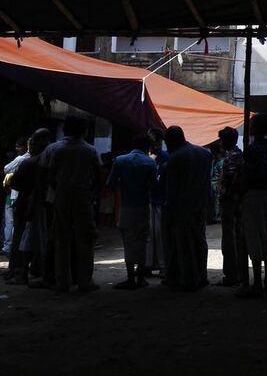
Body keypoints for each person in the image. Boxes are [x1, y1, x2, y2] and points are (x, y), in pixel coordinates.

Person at [48, 116, 102, 292]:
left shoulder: (56, 149)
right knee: (85, 239)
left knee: (61, 239)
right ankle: (84, 280)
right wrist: (92, 193)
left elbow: (50, 176)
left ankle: (62, 281)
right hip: (82, 196)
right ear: (84, 131)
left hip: (62, 195)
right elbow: (98, 175)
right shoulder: (90, 150)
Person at [163, 126, 212, 291]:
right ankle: (202, 275)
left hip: (182, 207)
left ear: (171, 141)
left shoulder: (175, 158)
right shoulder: (205, 153)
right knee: (200, 241)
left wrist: (169, 211)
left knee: (184, 244)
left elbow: (172, 189)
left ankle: (189, 278)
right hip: (201, 204)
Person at [237, 114, 267, 298]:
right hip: (265, 194)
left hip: (252, 195)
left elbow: (246, 176)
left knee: (252, 236)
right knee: (265, 235)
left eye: (252, 124)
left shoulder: (252, 149)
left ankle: (257, 283)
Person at [107, 135, 157, 290]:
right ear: (148, 147)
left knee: (128, 241)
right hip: (143, 206)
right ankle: (140, 277)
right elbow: (154, 187)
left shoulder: (120, 160)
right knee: (142, 240)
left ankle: (130, 278)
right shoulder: (150, 162)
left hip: (126, 206)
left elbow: (110, 184)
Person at [6, 129, 50, 285]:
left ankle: (20, 272)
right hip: (44, 206)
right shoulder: (49, 160)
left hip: (28, 205)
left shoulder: (29, 162)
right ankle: (35, 270)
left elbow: (15, 183)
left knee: (23, 240)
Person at [217, 126, 246, 287]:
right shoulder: (239, 155)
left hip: (230, 202)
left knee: (229, 237)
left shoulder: (230, 157)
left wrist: (226, 195)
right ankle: (239, 273)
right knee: (238, 237)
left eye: (222, 140)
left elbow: (230, 180)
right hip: (238, 201)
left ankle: (231, 275)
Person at [146, 128, 169, 278]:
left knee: (160, 233)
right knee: (148, 234)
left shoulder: (166, 158)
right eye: (154, 143)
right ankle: (147, 265)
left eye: (159, 143)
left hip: (161, 201)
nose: (157, 145)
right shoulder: (145, 159)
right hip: (148, 201)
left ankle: (163, 266)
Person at [3, 137, 29, 257]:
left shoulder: (21, 158)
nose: (17, 149)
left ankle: (9, 247)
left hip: (14, 195)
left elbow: (6, 169)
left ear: (25, 147)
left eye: (19, 146)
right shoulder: (34, 158)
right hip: (16, 194)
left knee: (11, 222)